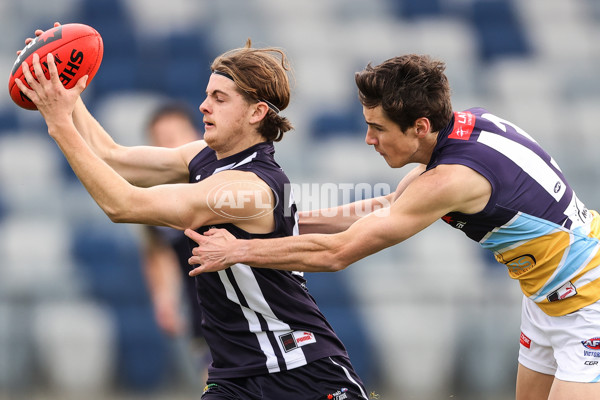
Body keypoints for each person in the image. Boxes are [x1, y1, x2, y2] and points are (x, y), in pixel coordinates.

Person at [183, 54, 600, 400]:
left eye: (378, 128)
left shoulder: (452, 178)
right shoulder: (464, 128)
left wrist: (240, 249)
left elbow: (337, 253)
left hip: (587, 301)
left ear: (419, 126)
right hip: (547, 299)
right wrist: (281, 221)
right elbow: (389, 205)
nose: (369, 139)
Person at [15, 29, 368, 399]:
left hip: (304, 375)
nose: (204, 106)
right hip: (234, 377)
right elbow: (111, 158)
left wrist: (59, 124)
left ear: (257, 112)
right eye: (205, 96)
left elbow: (123, 205)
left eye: (219, 98)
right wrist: (68, 93)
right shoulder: (203, 156)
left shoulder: (251, 189)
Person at [141, 102, 209, 386]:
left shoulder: (221, 182)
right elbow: (159, 251)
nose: (168, 146)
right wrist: (164, 298)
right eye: (159, 141)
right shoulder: (155, 199)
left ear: (196, 135)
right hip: (205, 318)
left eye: (174, 137)